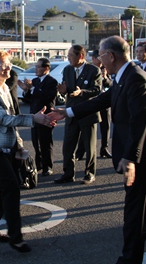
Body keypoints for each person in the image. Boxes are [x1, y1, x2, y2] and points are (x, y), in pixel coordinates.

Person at [48, 36, 146, 264]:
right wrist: (68, 112)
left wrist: (131, 158)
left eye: (101, 55)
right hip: (139, 152)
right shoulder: (124, 77)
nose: (99, 60)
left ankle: (130, 260)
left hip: (145, 156)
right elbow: (104, 99)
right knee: (144, 207)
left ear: (111, 56)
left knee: (135, 212)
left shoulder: (136, 79)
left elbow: (139, 122)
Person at [0, 50, 55, 253]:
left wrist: (19, 146)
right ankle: (16, 238)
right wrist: (33, 119)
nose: (8, 68)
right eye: (4, 65)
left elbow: (12, 118)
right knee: (10, 187)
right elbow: (4, 119)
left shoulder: (5, 87)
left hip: (6, 145)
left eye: (9, 64)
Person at [55, 44, 101, 185]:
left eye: (70, 56)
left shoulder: (94, 70)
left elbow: (97, 90)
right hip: (71, 112)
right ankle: (68, 173)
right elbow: (66, 89)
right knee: (68, 145)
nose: (68, 58)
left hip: (87, 112)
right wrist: (63, 90)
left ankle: (89, 173)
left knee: (89, 146)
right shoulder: (68, 70)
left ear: (80, 56)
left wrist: (82, 92)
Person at [18, 58, 58, 176]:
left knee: (45, 142)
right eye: (35, 66)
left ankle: (47, 166)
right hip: (34, 115)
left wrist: (32, 88)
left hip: (46, 115)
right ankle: (39, 164)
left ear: (46, 68)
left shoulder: (52, 82)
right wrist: (26, 90)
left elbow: (47, 97)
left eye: (38, 67)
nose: (36, 69)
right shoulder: (35, 81)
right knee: (36, 142)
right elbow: (30, 99)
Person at [91, 49, 112, 158]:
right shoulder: (90, 70)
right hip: (93, 101)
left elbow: (111, 85)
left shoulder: (107, 69)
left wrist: (105, 77)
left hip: (105, 101)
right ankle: (82, 150)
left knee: (106, 126)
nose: (101, 61)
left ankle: (104, 148)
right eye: (99, 59)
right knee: (89, 126)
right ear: (93, 59)